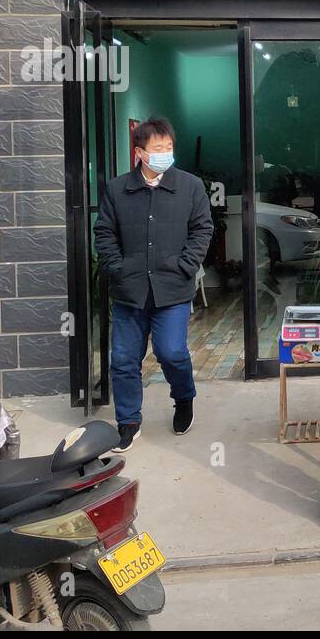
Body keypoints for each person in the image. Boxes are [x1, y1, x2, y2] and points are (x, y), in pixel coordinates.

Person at [94, 117, 213, 453]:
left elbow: (203, 229)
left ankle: (184, 397)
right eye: (157, 148)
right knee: (124, 359)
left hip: (172, 288)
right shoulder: (118, 189)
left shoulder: (190, 186)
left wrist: (185, 265)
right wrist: (116, 267)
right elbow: (103, 232)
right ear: (140, 153)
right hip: (129, 290)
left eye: (169, 147)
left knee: (171, 351)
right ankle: (128, 421)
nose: (165, 153)